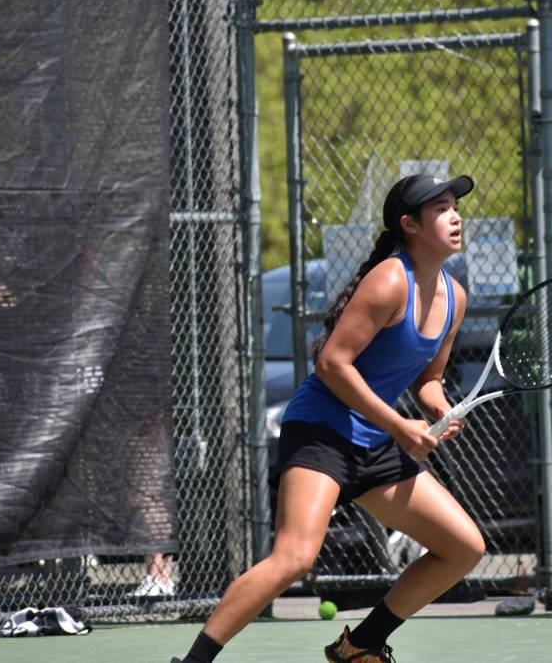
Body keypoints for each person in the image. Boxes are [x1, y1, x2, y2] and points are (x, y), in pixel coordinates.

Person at [172, 174, 486, 663]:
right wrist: (400, 427)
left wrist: (438, 408)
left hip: (374, 442)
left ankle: (360, 645)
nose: (455, 216)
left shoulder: (455, 298)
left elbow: (429, 379)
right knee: (294, 557)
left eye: (455, 206)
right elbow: (332, 363)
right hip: (322, 430)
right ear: (409, 224)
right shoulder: (387, 280)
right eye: (441, 208)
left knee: (464, 546)